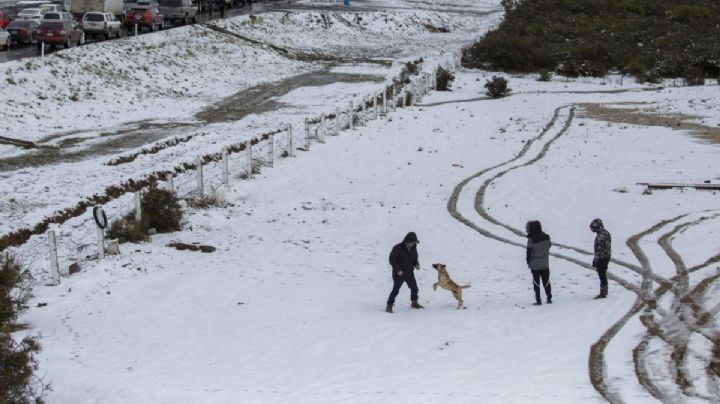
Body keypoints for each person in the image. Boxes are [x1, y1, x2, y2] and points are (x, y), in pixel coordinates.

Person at [386, 232, 423, 313]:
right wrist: (398, 269)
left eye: (415, 242)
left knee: (414, 288)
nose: (413, 244)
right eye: (412, 242)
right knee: (396, 290)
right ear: (407, 241)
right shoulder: (397, 248)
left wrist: (416, 264)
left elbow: (415, 258)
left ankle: (414, 302)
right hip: (399, 273)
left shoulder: (414, 248)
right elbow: (392, 259)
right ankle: (389, 305)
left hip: (409, 272)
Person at [526, 220, 552, 305]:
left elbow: (529, 252)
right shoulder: (547, 237)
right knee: (546, 281)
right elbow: (549, 246)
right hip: (545, 263)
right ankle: (549, 298)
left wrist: (528, 262)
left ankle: (538, 300)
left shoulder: (531, 239)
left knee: (536, 283)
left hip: (535, 265)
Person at [590, 218, 611, 299]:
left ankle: (603, 292)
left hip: (602, 258)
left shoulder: (600, 236)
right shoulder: (606, 233)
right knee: (603, 274)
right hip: (607, 256)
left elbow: (599, 250)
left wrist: (596, 260)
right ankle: (604, 291)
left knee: (602, 275)